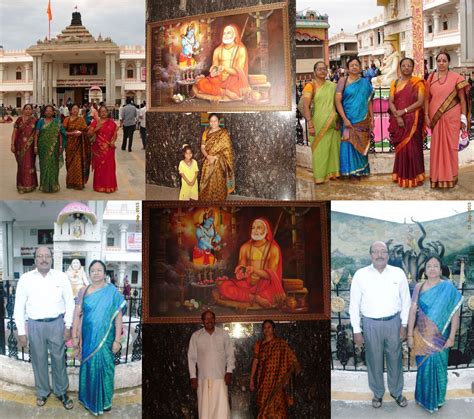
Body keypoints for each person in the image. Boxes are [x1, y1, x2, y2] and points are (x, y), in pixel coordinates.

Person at [349, 241, 411, 409]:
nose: (379, 255)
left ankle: (396, 392)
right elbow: (354, 305)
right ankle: (377, 393)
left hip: (394, 323)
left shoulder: (398, 274)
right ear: (370, 255)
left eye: (383, 251)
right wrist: (356, 330)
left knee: (395, 359)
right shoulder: (360, 275)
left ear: (388, 255)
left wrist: (404, 324)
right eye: (375, 251)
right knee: (374, 360)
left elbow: (406, 302)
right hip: (370, 324)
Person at [13, 246, 75, 409]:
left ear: (52, 258)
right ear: (35, 260)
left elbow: (70, 302)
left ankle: (61, 391)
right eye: (40, 256)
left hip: (56, 324)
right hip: (34, 325)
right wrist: (21, 331)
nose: (44, 259)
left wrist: (68, 326)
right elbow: (19, 307)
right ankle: (42, 392)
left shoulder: (61, 277)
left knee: (59, 359)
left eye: (47, 255)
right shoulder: (26, 279)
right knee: (38, 360)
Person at [407, 255, 462, 413]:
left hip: (441, 338)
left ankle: (437, 399)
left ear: (440, 269)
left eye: (435, 266)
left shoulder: (448, 288)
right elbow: (412, 312)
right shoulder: (418, 287)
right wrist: (409, 335)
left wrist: (452, 337)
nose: (432, 269)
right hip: (421, 336)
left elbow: (455, 315)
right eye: (429, 266)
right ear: (425, 269)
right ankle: (423, 398)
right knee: (423, 368)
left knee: (439, 367)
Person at [72, 260, 126, 415]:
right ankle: (87, 399)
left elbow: (118, 318)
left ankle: (105, 402)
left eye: (99, 270)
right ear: (89, 274)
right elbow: (77, 315)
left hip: (106, 339)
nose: (96, 273)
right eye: (93, 270)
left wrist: (117, 340)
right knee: (88, 367)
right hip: (88, 339)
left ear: (105, 273)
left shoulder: (112, 292)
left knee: (106, 369)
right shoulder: (83, 291)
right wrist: (75, 336)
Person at [217, 218, 286, 308]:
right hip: (248, 282)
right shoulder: (245, 247)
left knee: (273, 298)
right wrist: (242, 272)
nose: (255, 230)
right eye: (253, 228)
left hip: (265, 283)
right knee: (224, 287)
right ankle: (255, 298)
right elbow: (242, 268)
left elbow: (271, 275)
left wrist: (254, 270)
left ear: (266, 230)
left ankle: (245, 297)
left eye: (258, 227)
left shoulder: (273, 249)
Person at [425, 51, 470, 188]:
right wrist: (426, 115)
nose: (441, 63)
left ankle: (450, 177)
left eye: (444, 60)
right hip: (435, 118)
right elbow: (427, 99)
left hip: (452, 118)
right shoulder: (431, 78)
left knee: (450, 148)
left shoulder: (457, 78)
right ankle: (437, 177)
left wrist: (463, 119)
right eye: (439, 60)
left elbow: (463, 100)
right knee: (437, 148)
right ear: (436, 62)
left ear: (449, 62)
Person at [188, 310, 235, 419]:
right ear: (202, 321)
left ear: (215, 319)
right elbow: (191, 358)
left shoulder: (223, 334)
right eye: (206, 318)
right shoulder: (196, 336)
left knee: (221, 409)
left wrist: (229, 371)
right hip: (203, 379)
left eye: (211, 318)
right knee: (205, 410)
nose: (209, 321)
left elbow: (230, 355)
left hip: (220, 378)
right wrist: (193, 377)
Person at [250, 320, 300, 418]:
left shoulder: (281, 344)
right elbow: (255, 361)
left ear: (274, 329)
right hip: (263, 381)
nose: (266, 330)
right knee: (263, 406)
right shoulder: (259, 345)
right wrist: (251, 378)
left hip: (278, 381)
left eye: (269, 327)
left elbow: (292, 359)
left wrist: (291, 369)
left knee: (278, 407)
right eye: (264, 328)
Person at [388, 57, 426, 187]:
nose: (406, 68)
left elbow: (420, 102)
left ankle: (416, 176)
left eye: (409, 65)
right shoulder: (394, 83)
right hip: (398, 119)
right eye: (403, 65)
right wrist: (397, 116)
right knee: (402, 150)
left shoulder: (418, 83)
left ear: (413, 67)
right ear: (400, 67)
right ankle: (401, 176)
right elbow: (391, 102)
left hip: (413, 120)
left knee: (413, 149)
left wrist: (403, 111)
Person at [302, 61, 340, 183]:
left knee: (333, 148)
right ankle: (319, 176)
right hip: (317, 123)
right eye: (319, 69)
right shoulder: (310, 86)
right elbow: (305, 106)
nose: (322, 71)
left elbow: (337, 104)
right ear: (314, 72)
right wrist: (310, 124)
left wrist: (338, 120)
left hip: (333, 123)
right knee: (319, 150)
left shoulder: (333, 86)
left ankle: (333, 173)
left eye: (324, 69)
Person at [335, 57, 374, 179]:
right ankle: (349, 172)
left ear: (360, 67)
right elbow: (337, 101)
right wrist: (344, 119)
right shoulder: (343, 81)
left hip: (362, 120)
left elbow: (368, 102)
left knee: (361, 144)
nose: (354, 67)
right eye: (352, 65)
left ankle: (361, 170)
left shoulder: (365, 82)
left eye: (357, 65)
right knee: (348, 145)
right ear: (347, 68)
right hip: (348, 119)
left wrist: (372, 118)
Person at [194, 24, 250, 101]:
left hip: (233, 80)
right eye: (224, 33)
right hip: (219, 79)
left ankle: (219, 90)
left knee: (238, 91)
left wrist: (224, 68)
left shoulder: (240, 49)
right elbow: (214, 67)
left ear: (235, 35)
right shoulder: (218, 50)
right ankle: (225, 92)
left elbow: (239, 72)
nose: (225, 35)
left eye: (228, 33)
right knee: (201, 83)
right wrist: (214, 71)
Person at [199, 113, 234, 200]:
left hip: (219, 162)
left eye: (215, 121)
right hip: (208, 160)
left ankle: (219, 200)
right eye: (211, 121)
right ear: (209, 122)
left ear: (219, 122)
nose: (213, 123)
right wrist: (208, 156)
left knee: (218, 181)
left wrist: (216, 157)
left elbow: (227, 149)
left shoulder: (224, 133)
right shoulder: (205, 132)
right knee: (207, 181)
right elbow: (202, 147)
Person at [34, 104, 67, 193]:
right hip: (43, 148)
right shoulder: (40, 122)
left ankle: (53, 185)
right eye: (47, 111)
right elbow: (36, 134)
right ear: (44, 112)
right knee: (44, 165)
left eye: (50, 111)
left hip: (54, 147)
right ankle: (44, 186)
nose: (49, 112)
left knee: (53, 165)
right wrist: (35, 146)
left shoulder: (57, 122)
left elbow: (60, 135)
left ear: (53, 112)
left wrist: (60, 146)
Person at [87, 105, 118, 193]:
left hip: (109, 148)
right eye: (101, 111)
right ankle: (99, 186)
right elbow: (89, 134)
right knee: (99, 167)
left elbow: (115, 134)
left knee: (109, 167)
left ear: (108, 113)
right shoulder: (95, 122)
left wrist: (113, 141)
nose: (103, 113)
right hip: (98, 149)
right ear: (99, 113)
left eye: (105, 111)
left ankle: (109, 186)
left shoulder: (112, 122)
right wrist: (97, 128)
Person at [10, 104, 38, 193]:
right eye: (26, 109)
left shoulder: (35, 120)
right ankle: (21, 185)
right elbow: (14, 132)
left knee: (30, 165)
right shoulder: (19, 120)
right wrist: (12, 144)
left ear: (32, 111)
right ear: (23, 110)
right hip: (19, 147)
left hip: (30, 147)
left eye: (30, 109)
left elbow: (38, 134)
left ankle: (31, 185)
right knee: (21, 166)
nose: (28, 110)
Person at [63, 104, 91, 190]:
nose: (75, 110)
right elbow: (63, 132)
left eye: (77, 109)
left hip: (79, 145)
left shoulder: (81, 119)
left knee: (78, 162)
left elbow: (86, 130)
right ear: (70, 110)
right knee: (69, 162)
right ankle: (70, 182)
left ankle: (79, 183)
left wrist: (82, 133)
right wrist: (72, 133)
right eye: (73, 109)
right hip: (69, 145)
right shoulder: (66, 119)